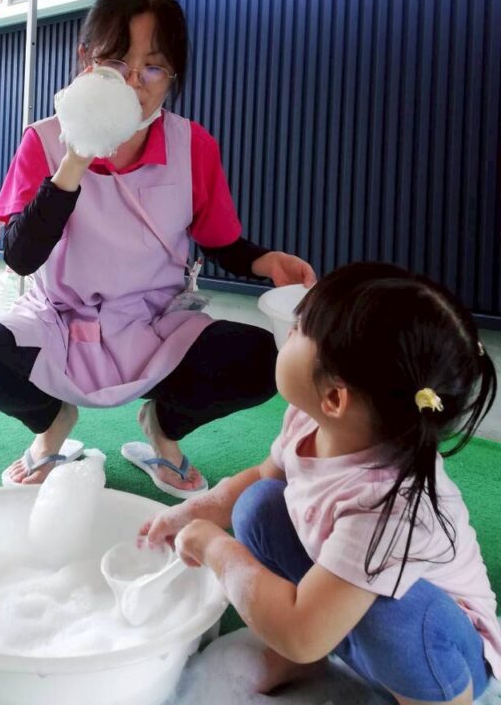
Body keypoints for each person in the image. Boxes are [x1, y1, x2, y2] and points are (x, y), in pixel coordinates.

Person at [0, 0, 315, 496]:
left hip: (155, 322)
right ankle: (53, 422)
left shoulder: (192, 145)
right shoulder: (44, 140)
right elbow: (22, 256)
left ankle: (163, 427)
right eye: (116, 63)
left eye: (153, 67)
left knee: (260, 359)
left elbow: (221, 242)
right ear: (86, 61)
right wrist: (76, 158)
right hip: (58, 319)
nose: (134, 82)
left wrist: (265, 261)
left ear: (172, 76)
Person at [142, 262, 500, 704]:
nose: (287, 334)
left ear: (334, 396)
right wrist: (190, 513)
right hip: (350, 612)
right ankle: (321, 651)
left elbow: (302, 634)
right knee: (258, 504)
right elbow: (261, 477)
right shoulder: (312, 421)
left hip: (441, 649)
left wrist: (214, 547)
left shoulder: (389, 505)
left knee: (394, 612)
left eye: (297, 330)